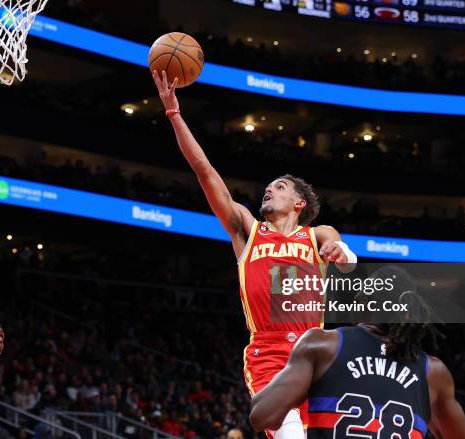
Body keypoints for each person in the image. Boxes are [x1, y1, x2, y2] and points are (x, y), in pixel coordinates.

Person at [153, 70, 357, 439]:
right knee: (290, 433)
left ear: (298, 202)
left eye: (278, 187)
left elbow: (345, 252)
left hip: (317, 351)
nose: (268, 190)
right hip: (269, 352)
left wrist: (340, 254)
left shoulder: (316, 235)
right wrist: (174, 114)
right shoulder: (246, 229)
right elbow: (204, 171)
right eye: (268, 186)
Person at [249, 267, 465, 439]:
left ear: (364, 303)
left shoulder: (323, 345)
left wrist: (304, 387)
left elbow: (261, 415)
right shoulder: (432, 372)